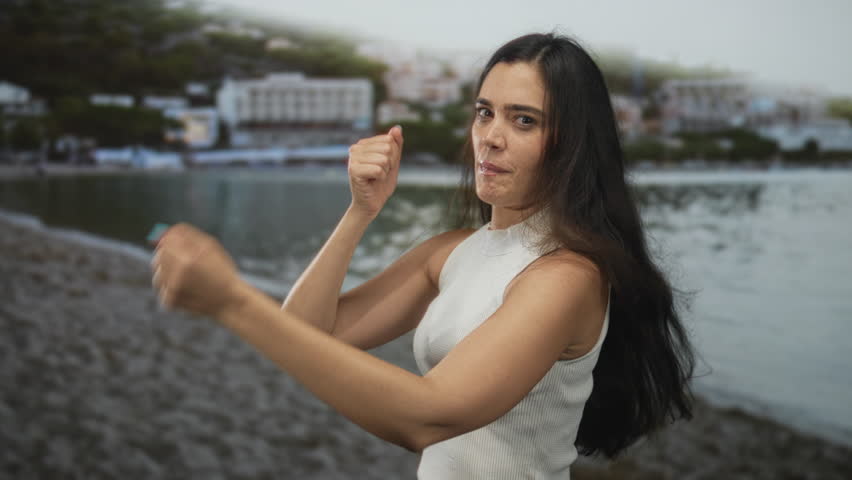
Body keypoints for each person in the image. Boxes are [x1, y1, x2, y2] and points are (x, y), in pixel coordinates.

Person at [150, 32, 695, 478]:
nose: (491, 138)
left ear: (573, 143)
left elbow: (429, 418)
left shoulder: (566, 276)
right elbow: (308, 333)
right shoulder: (454, 251)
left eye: (524, 120)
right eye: (485, 113)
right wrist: (360, 211)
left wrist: (232, 302)